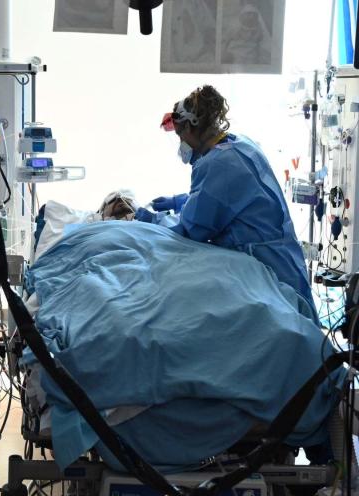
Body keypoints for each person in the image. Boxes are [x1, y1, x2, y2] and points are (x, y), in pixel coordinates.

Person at [134, 85, 317, 320]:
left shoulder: (218, 164)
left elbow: (191, 229)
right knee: (305, 330)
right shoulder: (239, 144)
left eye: (180, 136)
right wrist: (180, 201)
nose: (181, 143)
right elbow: (231, 198)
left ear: (191, 126)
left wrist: (151, 220)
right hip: (284, 257)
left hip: (268, 269)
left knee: (292, 326)